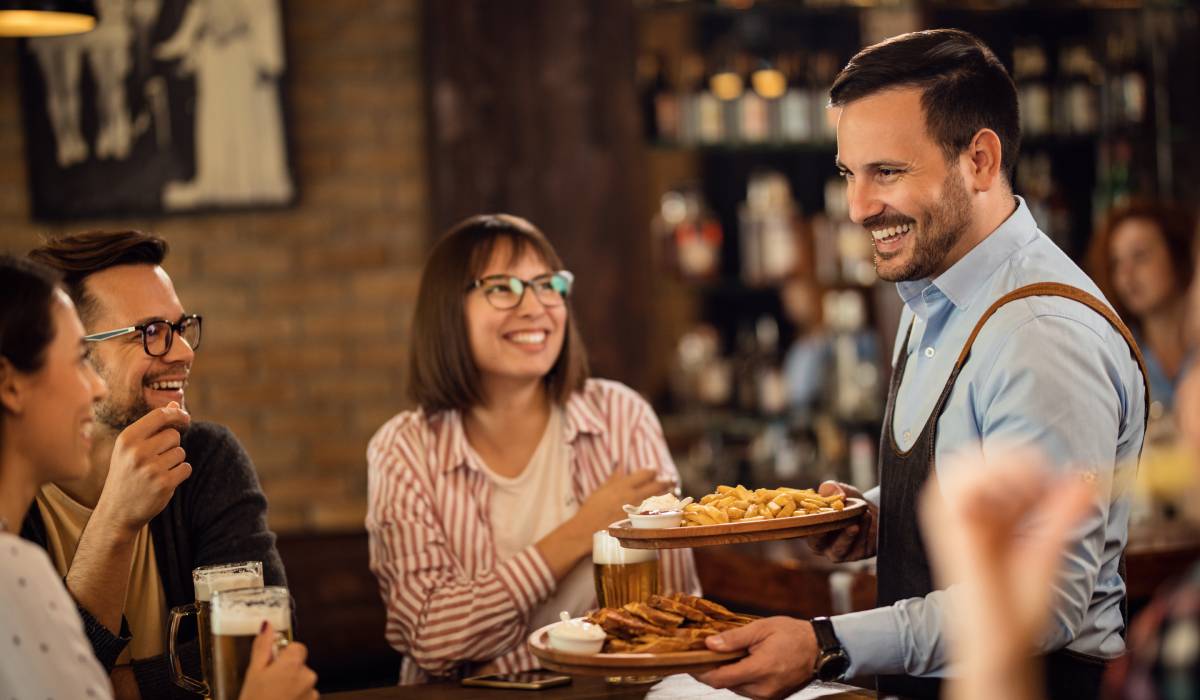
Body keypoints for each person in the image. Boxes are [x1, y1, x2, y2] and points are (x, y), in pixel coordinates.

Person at [695, 28, 1147, 700]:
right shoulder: (935, 287)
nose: (857, 207)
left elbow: (1042, 601)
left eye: (888, 172)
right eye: (850, 173)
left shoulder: (1040, 333)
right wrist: (884, 518)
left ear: (981, 161)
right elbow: (981, 484)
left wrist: (828, 642)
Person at [367, 214, 701, 683]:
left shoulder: (622, 417)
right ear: (447, 310)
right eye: (503, 288)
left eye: (547, 285)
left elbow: (675, 611)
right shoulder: (404, 449)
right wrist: (582, 528)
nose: (536, 307)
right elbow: (432, 639)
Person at [0, 255, 316, 700]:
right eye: (150, 333)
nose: (185, 351)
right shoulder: (14, 556)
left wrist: (125, 687)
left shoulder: (205, 459)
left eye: (181, 327)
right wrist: (114, 520)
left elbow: (261, 651)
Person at [1088, 199, 1195, 415]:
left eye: (1140, 256)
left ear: (1177, 255)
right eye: (1116, 263)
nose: (1126, 275)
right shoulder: (1116, 360)